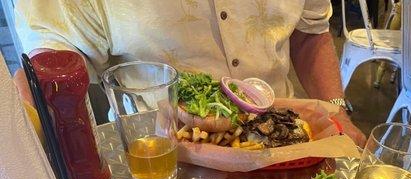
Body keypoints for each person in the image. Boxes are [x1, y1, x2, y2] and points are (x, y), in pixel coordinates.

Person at [14, 0, 366, 146]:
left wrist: (338, 112)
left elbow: (309, 31)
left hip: (282, 136)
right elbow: (48, 64)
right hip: (163, 157)